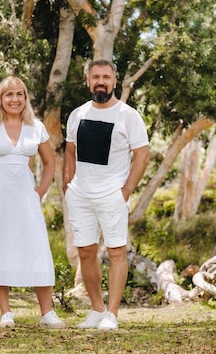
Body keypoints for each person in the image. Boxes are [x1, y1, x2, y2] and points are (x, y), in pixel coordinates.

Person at [0, 76, 65, 329]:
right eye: (9, 95)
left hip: (25, 194)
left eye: (20, 94)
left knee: (38, 245)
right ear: (1, 99)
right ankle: (5, 313)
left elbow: (49, 162)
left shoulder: (36, 127)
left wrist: (41, 189)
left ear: (25, 98)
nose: (15, 99)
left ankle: (47, 313)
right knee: (0, 247)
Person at [63, 59, 149, 331]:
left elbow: (142, 155)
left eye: (106, 77)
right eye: (96, 77)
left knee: (116, 252)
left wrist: (125, 192)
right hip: (81, 196)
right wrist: (68, 185)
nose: (101, 81)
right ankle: (97, 310)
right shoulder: (77, 114)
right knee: (86, 252)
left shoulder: (128, 115)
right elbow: (70, 151)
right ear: (88, 81)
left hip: (112, 196)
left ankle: (112, 314)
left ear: (114, 81)